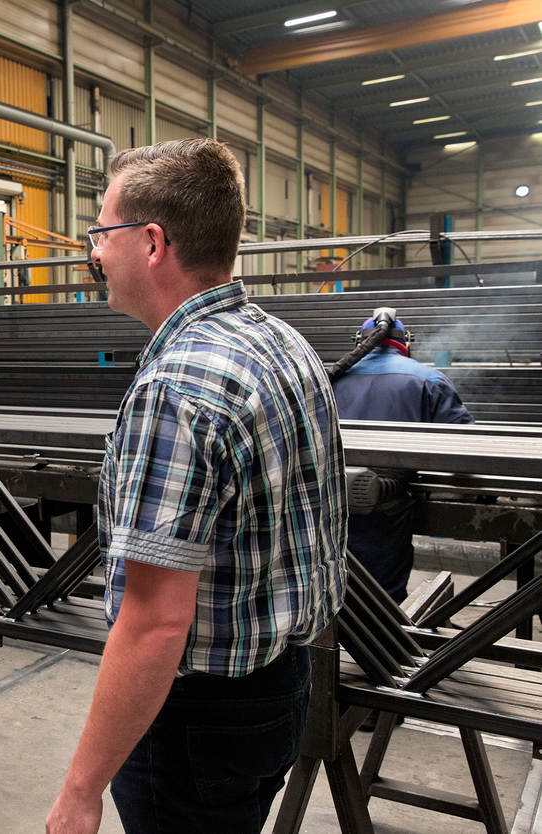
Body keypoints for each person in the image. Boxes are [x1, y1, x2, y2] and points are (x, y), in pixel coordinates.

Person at [46, 139, 347, 834]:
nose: (94, 252)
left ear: (151, 243)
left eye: (101, 232)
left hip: (198, 723)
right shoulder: (282, 343)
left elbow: (155, 624)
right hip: (280, 685)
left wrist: (81, 790)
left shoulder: (178, 389)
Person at [332, 312, 474, 602]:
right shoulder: (429, 379)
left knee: (332, 586)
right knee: (381, 598)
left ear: (359, 342)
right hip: (387, 506)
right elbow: (465, 445)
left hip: (330, 500)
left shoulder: (331, 378)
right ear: (405, 343)